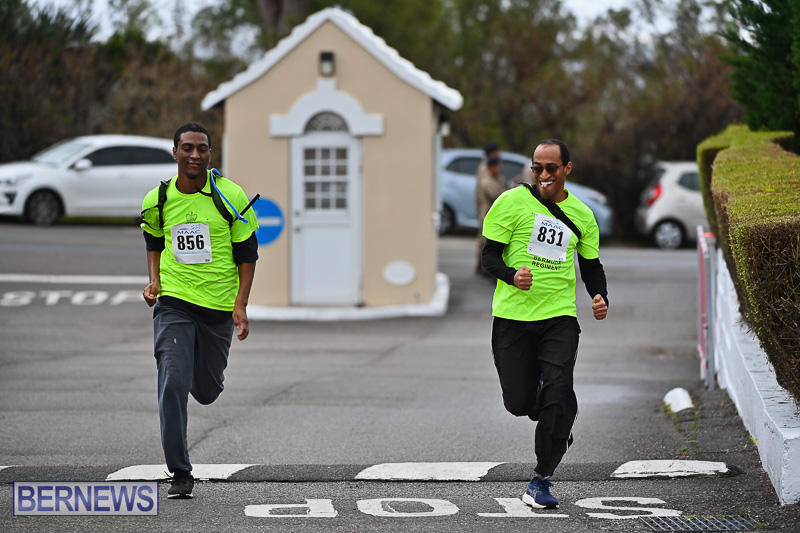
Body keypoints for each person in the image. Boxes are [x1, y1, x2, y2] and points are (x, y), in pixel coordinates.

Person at [481, 139, 608, 509]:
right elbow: (489, 255)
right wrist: (511, 276)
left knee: (558, 392)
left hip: (559, 318)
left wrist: (599, 295)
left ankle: (540, 480)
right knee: (518, 402)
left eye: (552, 167)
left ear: (567, 168)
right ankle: (556, 415)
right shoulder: (511, 202)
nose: (544, 174)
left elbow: (591, 266)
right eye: (538, 168)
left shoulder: (582, 214)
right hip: (512, 318)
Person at [140, 122, 259, 499]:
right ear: (175, 152)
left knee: (206, 391)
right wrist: (155, 281)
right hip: (174, 303)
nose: (195, 155)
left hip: (218, 308)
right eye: (188, 148)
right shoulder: (157, 199)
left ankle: (194, 367)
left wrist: (240, 304)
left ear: (210, 153)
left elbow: (248, 253)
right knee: (172, 382)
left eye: (202, 149)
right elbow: (153, 240)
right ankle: (180, 471)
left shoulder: (230, 195)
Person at [475, 155, 508, 277]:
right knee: (485, 241)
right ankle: (482, 266)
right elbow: (496, 195)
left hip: (496, 215)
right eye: (496, 166)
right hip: (487, 214)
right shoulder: (487, 181)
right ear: (490, 167)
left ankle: (484, 267)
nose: (498, 169)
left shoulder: (499, 178)